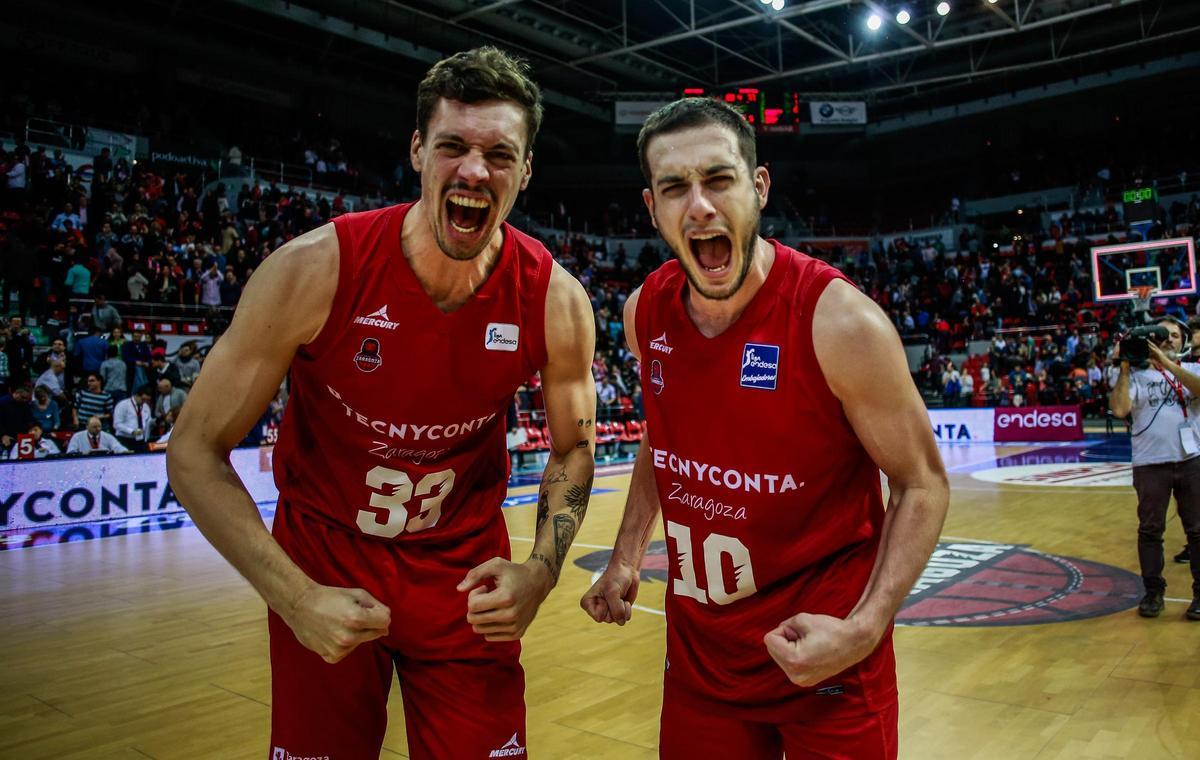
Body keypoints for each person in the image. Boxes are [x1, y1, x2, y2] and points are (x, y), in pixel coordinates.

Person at [167, 47, 597, 760]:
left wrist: (541, 572)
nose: (472, 170)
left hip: (465, 584)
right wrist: (295, 598)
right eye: (453, 146)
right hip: (323, 564)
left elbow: (574, 446)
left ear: (524, 172)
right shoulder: (314, 270)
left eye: (499, 154)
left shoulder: (555, 300)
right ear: (417, 151)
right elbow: (192, 450)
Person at [580, 98, 949, 759]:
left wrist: (865, 628)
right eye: (675, 187)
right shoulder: (645, 313)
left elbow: (922, 484)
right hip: (702, 662)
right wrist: (628, 555)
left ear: (758, 187)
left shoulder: (840, 324)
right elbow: (662, 437)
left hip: (829, 657)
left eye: (718, 179)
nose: (698, 206)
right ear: (652, 208)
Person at [1109, 317, 1200, 620]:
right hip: (1150, 464)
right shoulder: (1133, 376)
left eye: (1174, 335)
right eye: (1162, 335)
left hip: (1191, 461)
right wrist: (1124, 365)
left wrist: (1165, 363)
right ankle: (1153, 592)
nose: (1168, 340)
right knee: (1150, 530)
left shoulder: (1194, 369)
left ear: (1183, 341)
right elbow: (1120, 409)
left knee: (1197, 531)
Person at [114, 386, 153, 453]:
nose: (144, 402)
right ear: (137, 395)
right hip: (124, 439)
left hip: (140, 440)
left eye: (147, 400)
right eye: (143, 399)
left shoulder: (146, 407)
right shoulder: (123, 405)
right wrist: (132, 431)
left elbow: (147, 422)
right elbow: (117, 424)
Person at [66, 415, 130, 455]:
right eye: (94, 427)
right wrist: (82, 454)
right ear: (87, 427)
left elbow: (117, 447)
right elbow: (70, 452)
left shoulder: (107, 436)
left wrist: (125, 451)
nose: (98, 429)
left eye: (99, 426)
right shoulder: (77, 437)